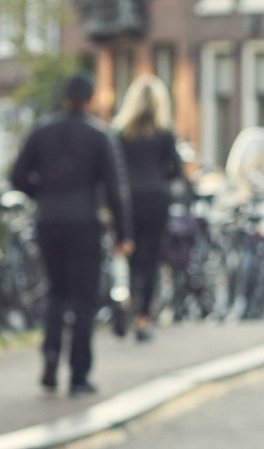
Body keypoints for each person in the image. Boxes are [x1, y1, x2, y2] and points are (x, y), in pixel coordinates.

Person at [10, 72, 132, 395]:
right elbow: (115, 189)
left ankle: (50, 354)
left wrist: (42, 195)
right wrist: (123, 233)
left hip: (49, 221)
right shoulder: (99, 136)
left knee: (56, 292)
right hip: (85, 224)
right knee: (84, 299)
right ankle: (78, 374)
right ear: (91, 100)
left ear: (65, 98)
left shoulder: (42, 132)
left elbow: (17, 176)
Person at [111, 75, 191, 341]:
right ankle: (142, 320)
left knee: (127, 254)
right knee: (151, 261)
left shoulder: (120, 134)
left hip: (127, 202)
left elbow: (112, 170)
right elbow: (175, 171)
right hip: (156, 200)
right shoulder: (164, 134)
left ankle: (123, 302)